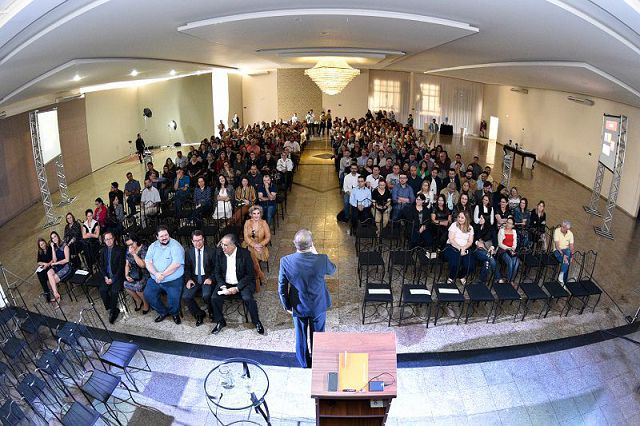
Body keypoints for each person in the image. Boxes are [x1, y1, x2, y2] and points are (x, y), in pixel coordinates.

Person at [278, 229, 336, 368]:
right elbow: (332, 270)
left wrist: (287, 306)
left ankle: (304, 362)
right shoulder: (321, 259)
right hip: (318, 305)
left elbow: (282, 286)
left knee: (301, 335)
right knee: (318, 335)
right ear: (311, 244)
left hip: (298, 305)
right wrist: (315, 253)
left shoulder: (285, 261)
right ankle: (318, 361)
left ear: (294, 243)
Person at [211, 234, 264, 335]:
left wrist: (237, 288)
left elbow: (250, 275)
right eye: (222, 244)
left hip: (242, 282)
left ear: (233, 245)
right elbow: (217, 273)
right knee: (214, 298)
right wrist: (223, 287)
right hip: (225, 283)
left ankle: (256, 321)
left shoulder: (245, 254)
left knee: (248, 298)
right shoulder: (219, 253)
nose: (223, 247)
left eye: (225, 245)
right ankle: (220, 321)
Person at [144, 225, 185, 324]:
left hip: (173, 279)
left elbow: (176, 264)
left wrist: (162, 275)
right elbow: (148, 262)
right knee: (148, 294)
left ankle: (174, 313)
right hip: (155, 278)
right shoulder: (153, 246)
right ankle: (163, 312)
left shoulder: (176, 246)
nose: (164, 237)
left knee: (173, 298)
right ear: (157, 237)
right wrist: (156, 274)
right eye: (161, 236)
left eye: (166, 235)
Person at [182, 230, 217, 326]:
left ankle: (212, 311)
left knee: (206, 295)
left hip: (206, 277)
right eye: (195, 241)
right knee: (186, 296)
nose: (198, 243)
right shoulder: (188, 252)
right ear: (192, 241)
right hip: (194, 278)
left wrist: (211, 278)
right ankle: (199, 314)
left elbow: (216, 268)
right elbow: (187, 268)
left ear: (203, 239)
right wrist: (188, 279)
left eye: (200, 240)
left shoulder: (211, 251)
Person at [99, 231, 126, 324]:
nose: (109, 241)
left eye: (110, 238)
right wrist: (105, 277)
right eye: (106, 239)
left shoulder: (120, 250)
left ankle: (113, 312)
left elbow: (121, 267)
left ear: (113, 239)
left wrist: (113, 279)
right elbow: (101, 266)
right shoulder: (103, 251)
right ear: (104, 241)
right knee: (102, 290)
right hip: (107, 276)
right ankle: (111, 307)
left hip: (117, 276)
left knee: (114, 291)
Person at [242, 205, 271, 290]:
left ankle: (256, 276)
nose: (256, 215)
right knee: (251, 252)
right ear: (251, 214)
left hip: (260, 245)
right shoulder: (247, 223)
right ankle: (259, 275)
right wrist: (254, 245)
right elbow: (246, 237)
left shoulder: (264, 223)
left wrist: (260, 245)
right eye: (254, 213)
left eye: (258, 213)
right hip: (248, 244)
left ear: (260, 214)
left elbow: (268, 237)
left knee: (251, 255)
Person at [444, 211, 474, 284]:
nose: (460, 219)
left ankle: (461, 275)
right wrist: (460, 248)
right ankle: (451, 277)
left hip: (465, 248)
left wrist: (463, 248)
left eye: (462, 218)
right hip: (452, 246)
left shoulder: (470, 228)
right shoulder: (454, 225)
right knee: (455, 263)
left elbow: (470, 241)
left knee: (470, 265)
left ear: (466, 219)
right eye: (459, 217)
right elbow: (451, 239)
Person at [124, 233, 149, 314]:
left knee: (138, 288)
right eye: (128, 245)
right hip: (134, 272)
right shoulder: (128, 249)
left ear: (136, 241)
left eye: (131, 244)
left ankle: (145, 303)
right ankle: (138, 300)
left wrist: (134, 254)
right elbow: (127, 264)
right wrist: (126, 275)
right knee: (126, 284)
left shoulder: (143, 248)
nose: (130, 246)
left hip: (145, 272)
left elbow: (143, 265)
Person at [46, 231, 74, 302]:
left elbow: (67, 260)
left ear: (58, 236)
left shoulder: (65, 246)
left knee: (52, 280)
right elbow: (54, 260)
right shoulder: (55, 247)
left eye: (55, 236)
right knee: (49, 272)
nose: (54, 239)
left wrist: (56, 263)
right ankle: (56, 294)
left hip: (66, 266)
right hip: (58, 266)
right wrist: (52, 248)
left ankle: (57, 298)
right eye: (52, 238)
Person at [472, 214, 499, 284]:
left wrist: (492, 247)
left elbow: (495, 241)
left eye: (481, 218)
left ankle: (482, 280)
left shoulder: (491, 228)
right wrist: (477, 242)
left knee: (487, 261)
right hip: (477, 250)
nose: (480, 220)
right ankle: (498, 278)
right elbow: (473, 238)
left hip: (487, 249)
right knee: (490, 258)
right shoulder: (476, 227)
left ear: (486, 220)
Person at [497, 216, 520, 286]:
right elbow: (500, 244)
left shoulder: (514, 231)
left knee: (516, 263)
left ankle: (511, 279)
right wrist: (508, 248)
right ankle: (510, 282)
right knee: (510, 262)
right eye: (507, 222)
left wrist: (513, 248)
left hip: (511, 251)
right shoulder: (501, 230)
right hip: (503, 250)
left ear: (513, 225)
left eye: (510, 223)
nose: (507, 224)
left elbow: (515, 243)